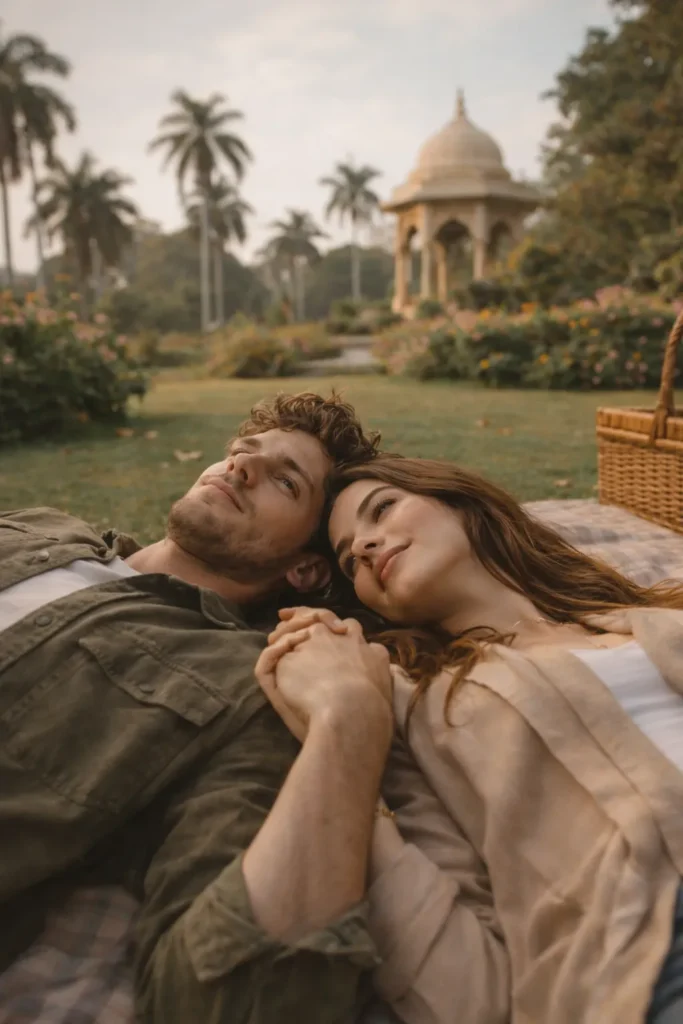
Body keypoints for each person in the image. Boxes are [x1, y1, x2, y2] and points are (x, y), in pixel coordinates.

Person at [0, 391, 393, 1024]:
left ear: (305, 571)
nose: (240, 469)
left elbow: (236, 996)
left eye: (284, 482)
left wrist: (350, 723)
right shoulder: (44, 528)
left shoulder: (238, 687)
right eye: (243, 452)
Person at [258, 454, 683, 1024]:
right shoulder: (419, 703)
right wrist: (343, 723)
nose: (362, 547)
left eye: (381, 510)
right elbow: (459, 972)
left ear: (460, 500)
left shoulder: (650, 610)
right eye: (347, 556)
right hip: (653, 945)